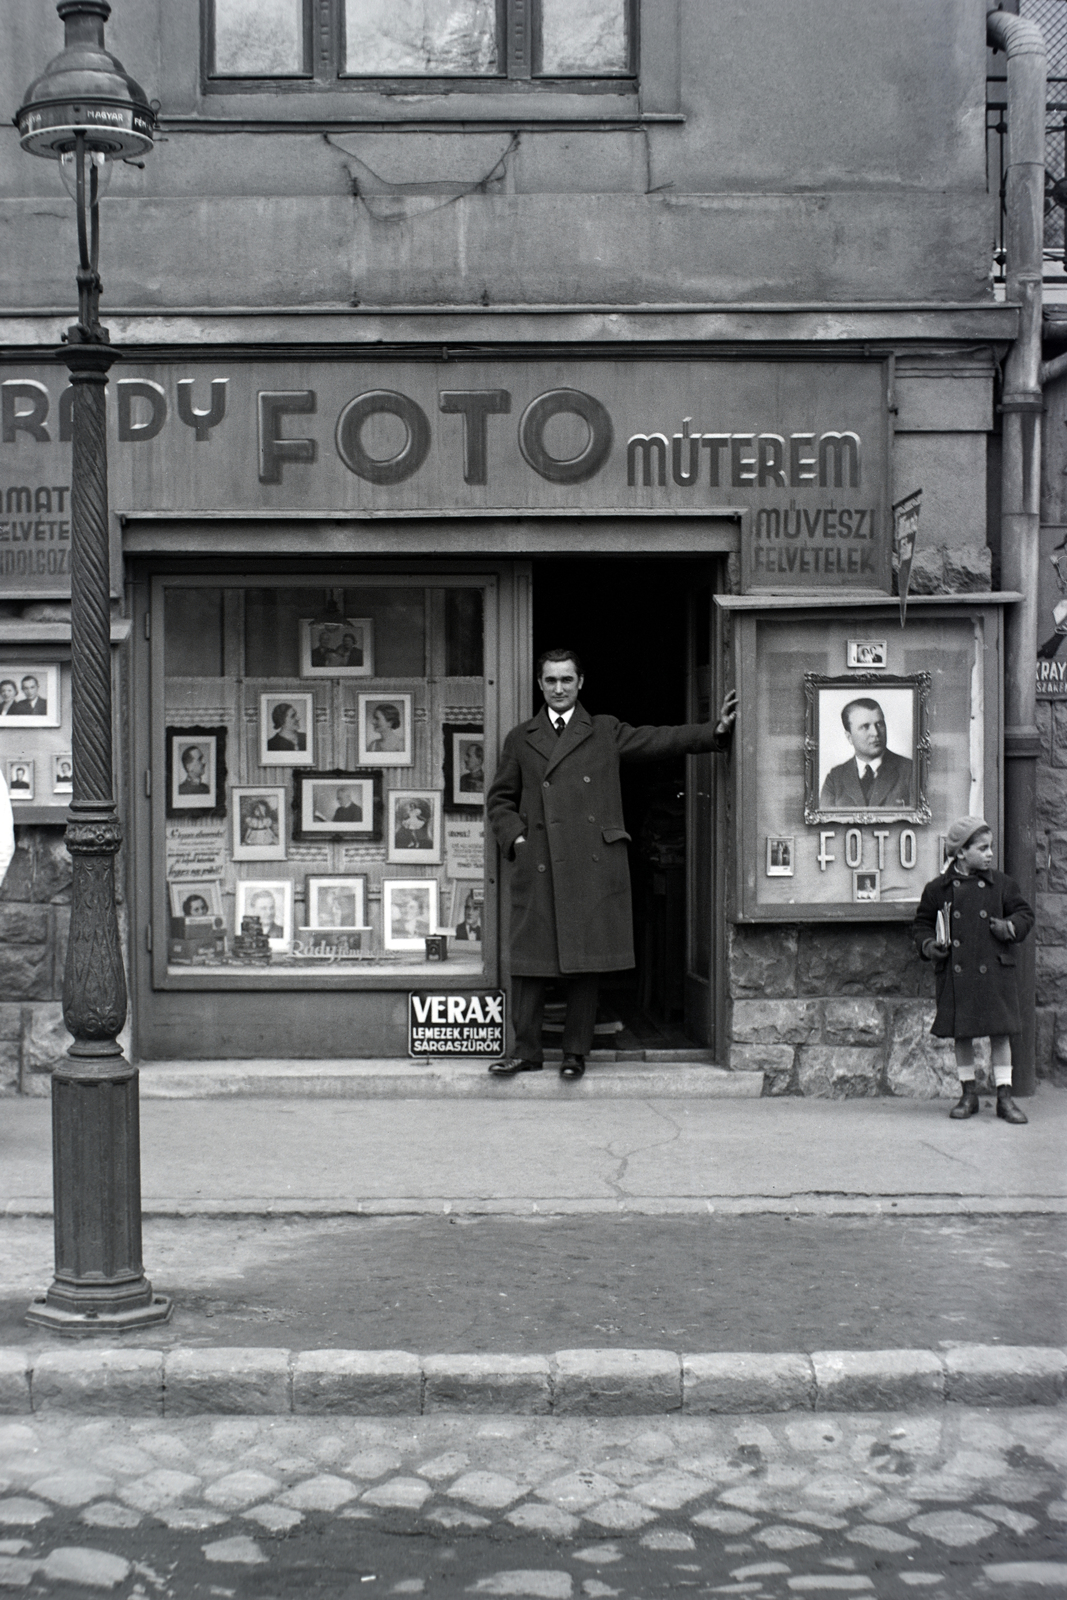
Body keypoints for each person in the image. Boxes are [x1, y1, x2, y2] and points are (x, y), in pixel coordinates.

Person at [487, 647, 737, 1081]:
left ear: (581, 683)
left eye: (567, 680)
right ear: (540, 685)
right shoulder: (521, 737)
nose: (559, 688)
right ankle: (525, 1051)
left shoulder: (602, 730)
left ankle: (574, 1053)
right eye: (551, 680)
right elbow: (500, 799)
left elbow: (657, 739)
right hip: (542, 860)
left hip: (589, 863)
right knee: (530, 962)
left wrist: (712, 730)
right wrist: (519, 840)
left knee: (586, 960)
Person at [913, 815, 1033, 1125]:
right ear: (961, 853)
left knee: (1000, 1034)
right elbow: (923, 923)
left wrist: (1009, 928)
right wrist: (929, 946)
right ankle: (968, 1093)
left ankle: (1004, 1097)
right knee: (961, 1034)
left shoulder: (1002, 885)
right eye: (983, 848)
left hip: (994, 969)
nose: (990, 854)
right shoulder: (937, 889)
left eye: (990, 847)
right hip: (957, 972)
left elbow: (1024, 914)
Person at [818, 697, 914, 809]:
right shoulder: (834, 779)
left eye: (880, 724)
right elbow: (825, 824)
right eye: (865, 727)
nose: (875, 733)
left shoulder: (911, 771)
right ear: (849, 737)